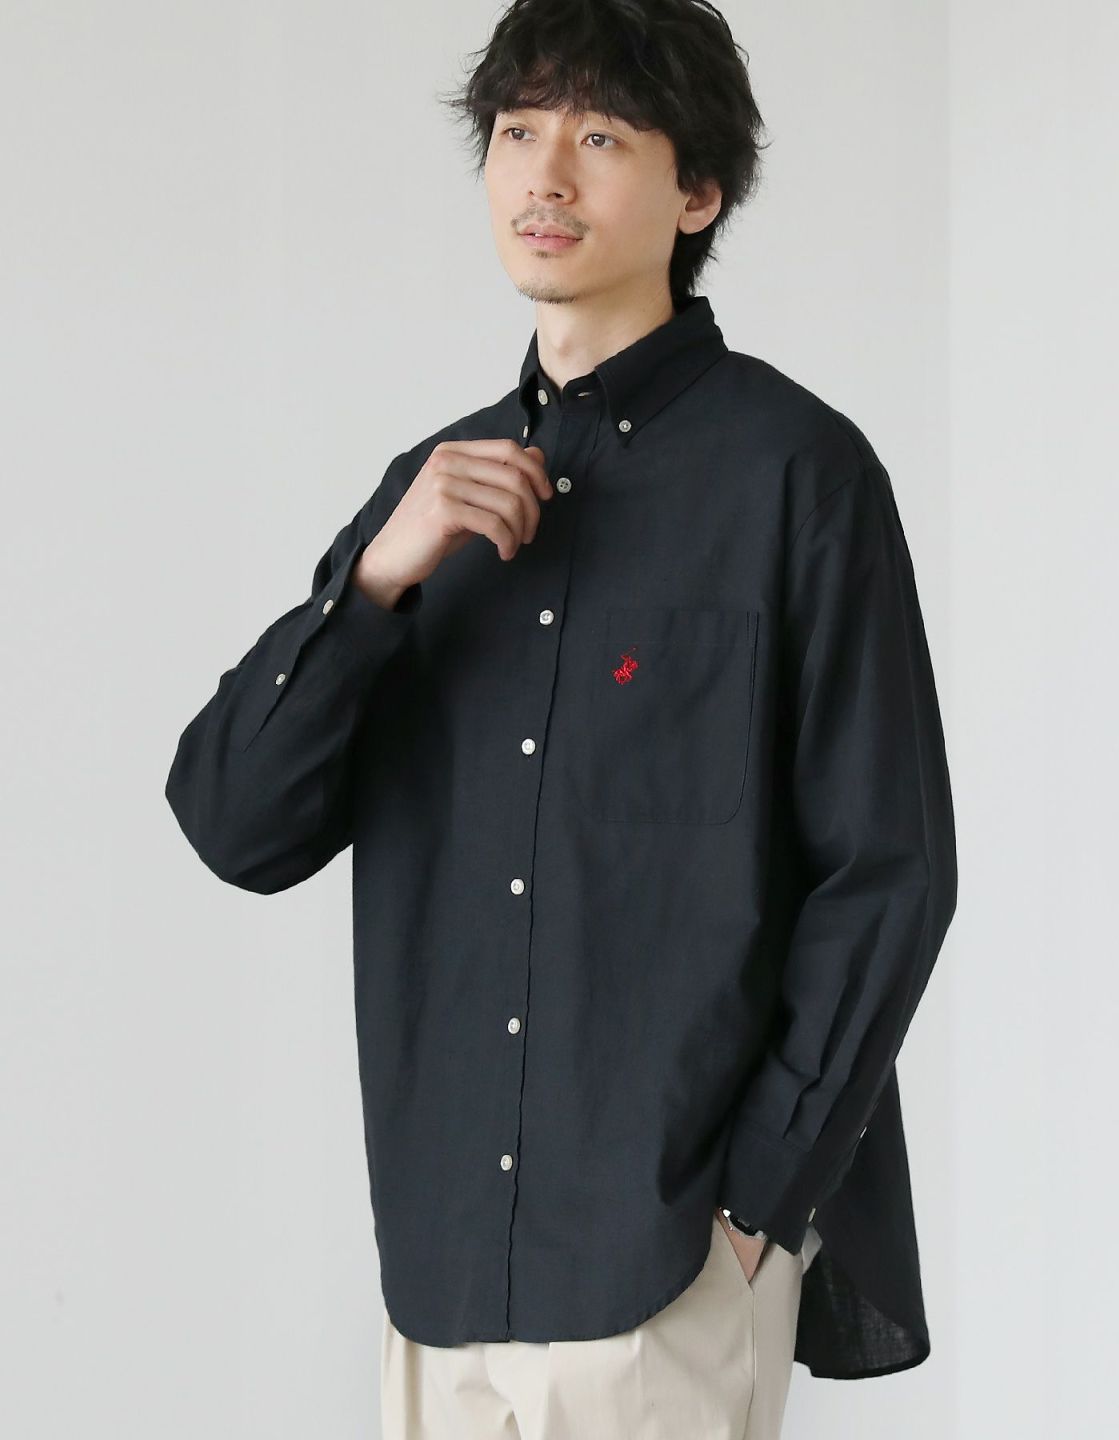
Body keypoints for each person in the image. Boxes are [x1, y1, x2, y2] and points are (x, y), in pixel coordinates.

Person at [165, 1, 958, 1434]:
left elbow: (889, 872)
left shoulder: (799, 477)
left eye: (600, 137)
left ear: (696, 191)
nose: (544, 176)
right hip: (443, 1268)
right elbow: (236, 824)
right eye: (519, 130)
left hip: (668, 1266)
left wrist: (754, 1206)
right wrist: (373, 589)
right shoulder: (429, 496)